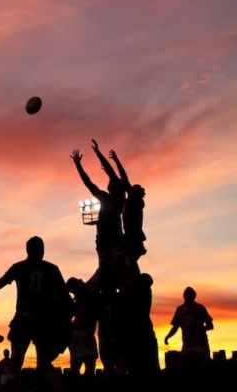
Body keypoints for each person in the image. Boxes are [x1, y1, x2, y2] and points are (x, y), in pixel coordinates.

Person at [0, 237, 72, 373]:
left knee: (17, 361)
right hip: (43, 321)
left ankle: (14, 384)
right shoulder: (51, 269)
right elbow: (65, 297)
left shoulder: (19, 267)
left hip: (24, 320)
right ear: (42, 250)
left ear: (27, 250)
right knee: (42, 363)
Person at [71, 141, 126, 277]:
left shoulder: (112, 198)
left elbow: (91, 180)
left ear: (113, 187)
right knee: (111, 270)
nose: (110, 180)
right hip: (111, 240)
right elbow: (108, 172)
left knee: (108, 270)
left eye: (111, 181)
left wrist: (79, 164)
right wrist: (98, 153)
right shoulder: (117, 198)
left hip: (108, 241)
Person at [109, 149, 147, 261]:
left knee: (126, 261)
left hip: (133, 238)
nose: (129, 188)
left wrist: (116, 161)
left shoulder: (136, 202)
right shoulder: (132, 201)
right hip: (131, 237)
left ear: (136, 193)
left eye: (132, 188)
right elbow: (125, 179)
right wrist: (116, 161)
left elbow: (125, 179)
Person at [121, 273, 159, 376]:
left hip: (139, 331)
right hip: (141, 330)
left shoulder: (141, 293)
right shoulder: (142, 291)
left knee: (140, 362)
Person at [165, 287, 214, 364]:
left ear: (194, 296)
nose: (188, 296)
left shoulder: (200, 308)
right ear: (183, 296)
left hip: (201, 345)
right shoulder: (180, 310)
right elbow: (175, 327)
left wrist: (200, 329)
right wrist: (167, 337)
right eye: (186, 294)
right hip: (187, 346)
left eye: (190, 295)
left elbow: (210, 326)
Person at [66, 278, 99, 377]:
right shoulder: (85, 295)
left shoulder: (84, 296)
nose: (72, 293)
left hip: (83, 332)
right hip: (82, 332)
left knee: (82, 365)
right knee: (85, 365)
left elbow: (83, 314)